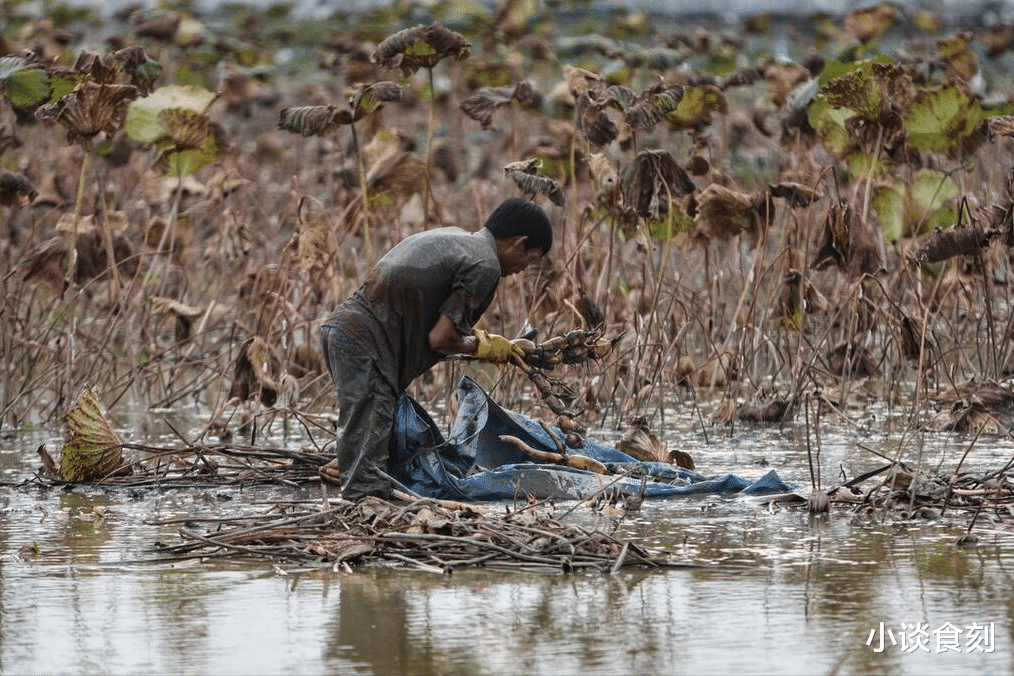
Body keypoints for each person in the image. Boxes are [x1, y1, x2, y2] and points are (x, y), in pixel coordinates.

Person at [319, 197, 554, 501]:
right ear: (518, 243)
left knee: (365, 441)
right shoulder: (485, 266)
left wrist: (503, 346)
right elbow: (441, 340)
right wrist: (488, 349)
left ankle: (349, 469)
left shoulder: (458, 239)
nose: (525, 269)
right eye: (531, 258)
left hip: (341, 332)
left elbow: (440, 326)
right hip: (367, 346)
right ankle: (364, 531)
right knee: (366, 488)